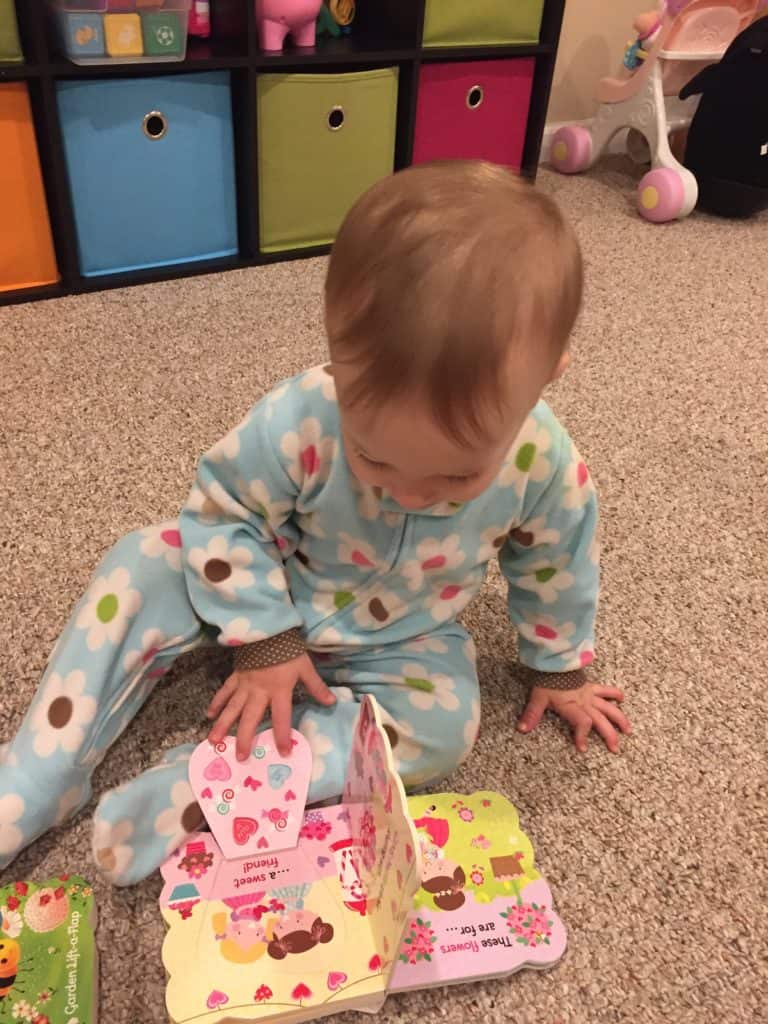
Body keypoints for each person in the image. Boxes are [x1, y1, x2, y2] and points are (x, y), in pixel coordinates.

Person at [0, 161, 631, 885]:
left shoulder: (545, 462)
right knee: (141, 561)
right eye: (375, 458)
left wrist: (560, 666)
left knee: (446, 728)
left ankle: (205, 789)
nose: (412, 494)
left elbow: (558, 564)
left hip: (406, 636)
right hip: (273, 583)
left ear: (550, 373)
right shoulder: (302, 416)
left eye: (457, 476)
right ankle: (38, 773)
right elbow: (223, 511)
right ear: (337, 357)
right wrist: (263, 636)